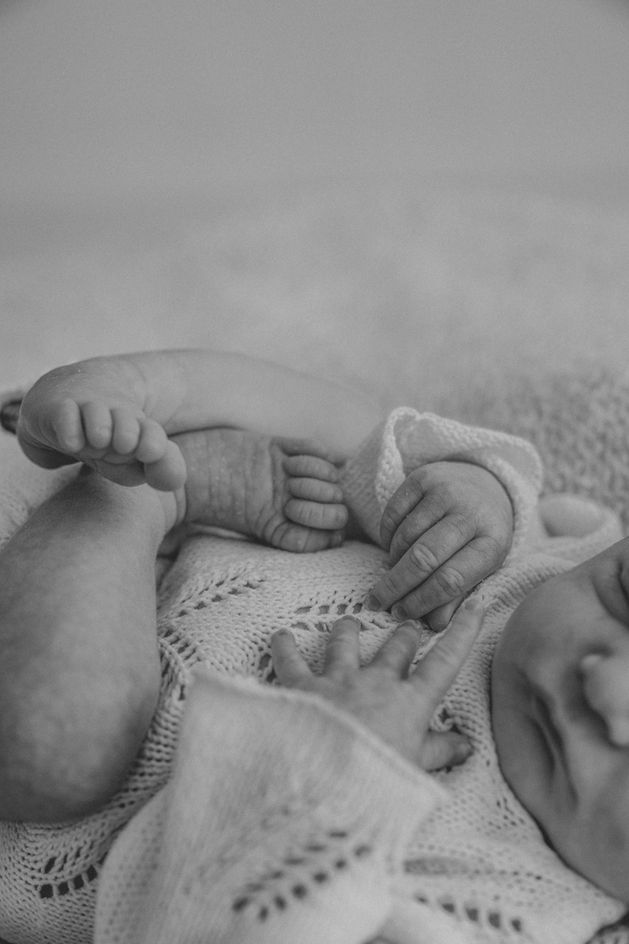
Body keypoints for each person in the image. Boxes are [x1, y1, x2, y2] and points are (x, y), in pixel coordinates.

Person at [0, 349, 625, 944]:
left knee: (58, 746)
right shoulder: (543, 566)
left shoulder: (506, 909)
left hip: (49, 668)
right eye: (623, 593)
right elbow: (487, 486)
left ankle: (129, 497)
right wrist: (475, 489)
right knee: (360, 445)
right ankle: (140, 388)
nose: (605, 684)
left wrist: (341, 773)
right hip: (121, 479)